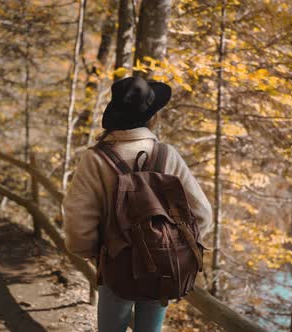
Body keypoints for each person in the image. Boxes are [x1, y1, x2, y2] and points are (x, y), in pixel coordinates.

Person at [63, 76, 212, 332]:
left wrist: (89, 252)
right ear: (151, 116)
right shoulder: (167, 155)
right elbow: (203, 214)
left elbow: (78, 218)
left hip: (115, 264)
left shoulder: (96, 158)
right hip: (162, 266)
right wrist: (176, 244)